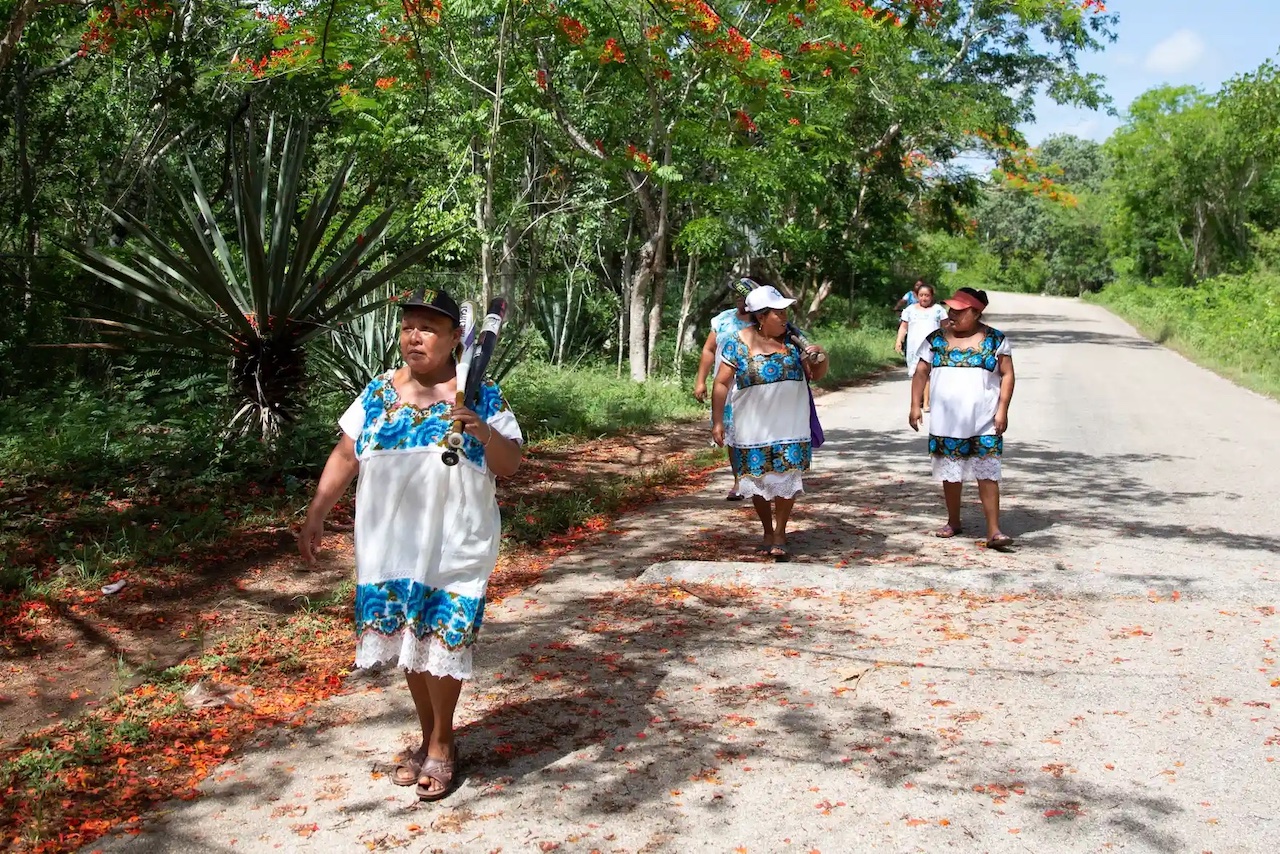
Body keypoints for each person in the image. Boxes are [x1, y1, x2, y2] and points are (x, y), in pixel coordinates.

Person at [297, 287, 523, 801]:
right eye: (407, 327)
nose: (414, 337)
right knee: (409, 645)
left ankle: (442, 744)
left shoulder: (480, 393)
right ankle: (428, 737)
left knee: (443, 638)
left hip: (456, 544)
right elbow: (346, 454)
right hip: (387, 544)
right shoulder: (377, 392)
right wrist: (317, 513)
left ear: (453, 340)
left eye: (429, 328)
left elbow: (510, 465)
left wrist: (482, 431)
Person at [711, 284, 828, 560]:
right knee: (758, 480)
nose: (785, 317)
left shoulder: (794, 341)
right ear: (761, 316)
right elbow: (721, 383)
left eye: (785, 311)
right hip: (752, 428)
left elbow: (818, 374)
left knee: (787, 477)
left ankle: (781, 532)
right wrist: (718, 422)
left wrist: (820, 355)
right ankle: (766, 530)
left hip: (790, 425)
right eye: (778, 313)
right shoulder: (736, 342)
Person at [907, 287, 1015, 550]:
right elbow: (921, 372)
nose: (952, 314)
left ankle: (994, 531)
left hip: (984, 420)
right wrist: (915, 405)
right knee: (951, 473)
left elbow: (1008, 374)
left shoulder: (995, 340)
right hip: (947, 421)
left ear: (976, 312)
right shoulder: (936, 339)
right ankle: (953, 520)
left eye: (959, 310)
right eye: (951, 309)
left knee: (988, 472)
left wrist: (1003, 410)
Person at [693, 277, 757, 500]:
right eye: (736, 294)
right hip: (725, 386)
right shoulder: (722, 320)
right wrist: (700, 381)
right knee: (731, 434)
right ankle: (739, 480)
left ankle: (758, 477)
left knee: (753, 431)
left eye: (744, 295)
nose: (739, 298)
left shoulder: (761, 321)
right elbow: (709, 350)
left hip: (753, 387)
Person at [895, 282, 948, 411]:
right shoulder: (910, 310)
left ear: (932, 296)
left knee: (928, 374)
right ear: (917, 296)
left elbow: (946, 327)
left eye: (927, 295)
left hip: (932, 347)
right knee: (916, 373)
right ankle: (917, 400)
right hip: (914, 347)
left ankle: (926, 403)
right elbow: (903, 327)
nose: (924, 298)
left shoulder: (938, 310)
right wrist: (899, 341)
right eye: (921, 295)